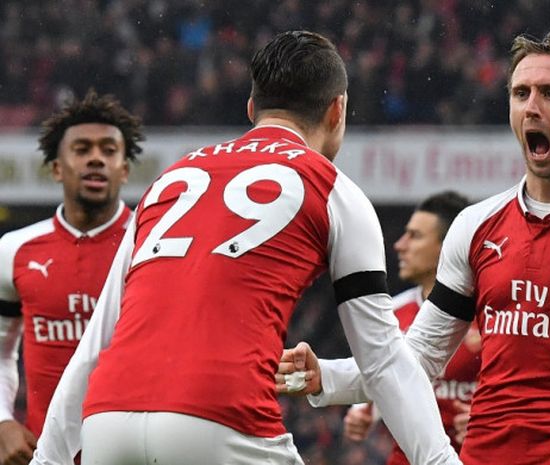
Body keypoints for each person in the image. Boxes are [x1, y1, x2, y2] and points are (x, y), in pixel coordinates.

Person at [28, 31, 461, 465]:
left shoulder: (169, 182)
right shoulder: (334, 190)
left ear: (252, 108)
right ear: (337, 110)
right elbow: (384, 360)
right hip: (222, 418)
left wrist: (46, 460)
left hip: (107, 420)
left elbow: (95, 344)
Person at [276, 29, 550, 465]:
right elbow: (418, 358)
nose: (532, 107)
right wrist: (325, 375)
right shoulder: (476, 227)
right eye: (521, 93)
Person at [0, 90, 144, 465]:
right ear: (57, 168)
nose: (96, 158)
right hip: (43, 454)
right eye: (82, 149)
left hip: (135, 453)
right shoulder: (15, 249)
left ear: (125, 169)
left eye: (109, 151)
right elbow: (0, 351)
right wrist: (2, 421)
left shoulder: (152, 244)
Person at [342, 191, 480, 464]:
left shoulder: (489, 316)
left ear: (448, 246)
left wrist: (487, 418)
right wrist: (361, 411)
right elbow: (381, 376)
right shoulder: (392, 313)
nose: (400, 245)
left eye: (415, 236)